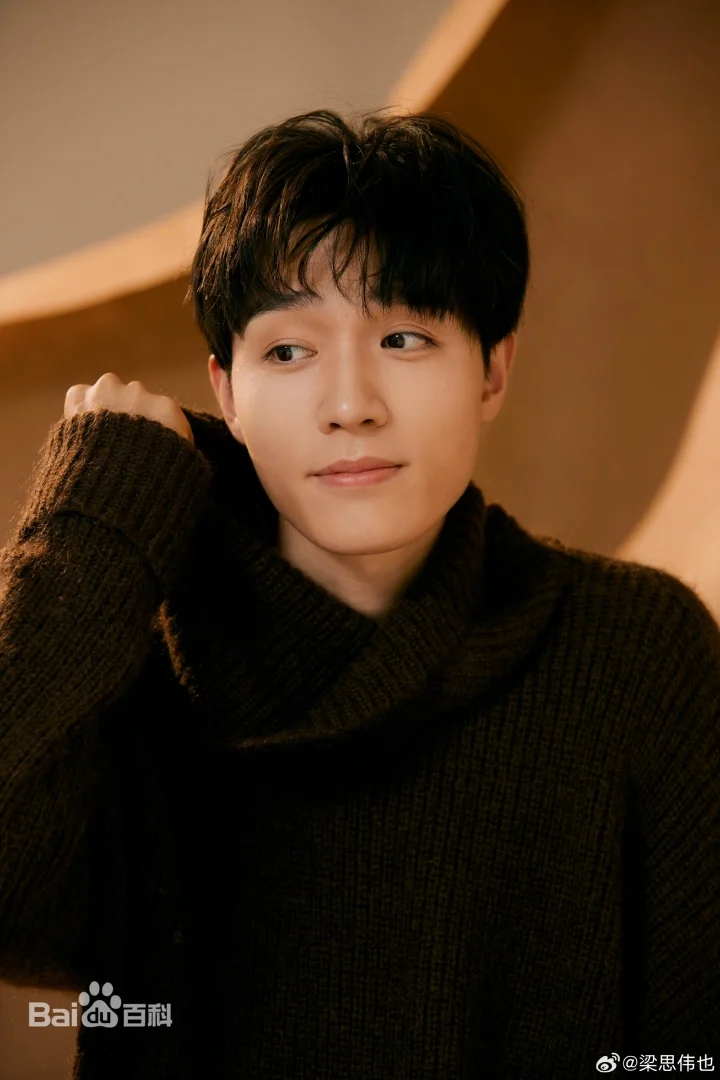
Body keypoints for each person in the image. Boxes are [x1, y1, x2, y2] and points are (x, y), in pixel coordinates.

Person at [0, 109, 718, 1080]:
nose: (350, 405)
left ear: (493, 370)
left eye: (406, 337)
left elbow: (690, 1055)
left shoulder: (635, 650)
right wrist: (92, 520)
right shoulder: (136, 657)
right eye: (288, 353)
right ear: (227, 391)